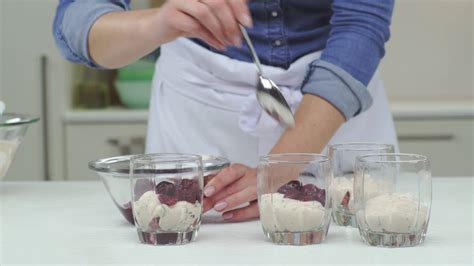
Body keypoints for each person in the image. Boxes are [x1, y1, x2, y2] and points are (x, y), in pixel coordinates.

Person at [53, 0, 397, 222]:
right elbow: (78, 21)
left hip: (330, 110)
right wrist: (154, 25)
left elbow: (362, 25)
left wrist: (278, 169)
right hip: (199, 108)